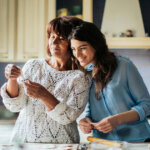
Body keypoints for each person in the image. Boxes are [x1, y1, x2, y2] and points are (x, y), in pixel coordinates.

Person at [1, 16, 91, 144]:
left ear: (72, 43)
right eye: (51, 37)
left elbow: (67, 116)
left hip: (62, 145)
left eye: (61, 38)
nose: (53, 43)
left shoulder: (80, 77)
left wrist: (44, 95)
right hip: (24, 143)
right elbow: (15, 105)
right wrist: (12, 79)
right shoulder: (33, 65)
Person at [69, 22, 150, 142]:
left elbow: (146, 105)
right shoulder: (86, 74)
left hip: (137, 142)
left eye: (82, 48)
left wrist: (117, 120)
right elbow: (91, 111)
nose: (77, 54)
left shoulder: (124, 66)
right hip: (103, 143)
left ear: (96, 44)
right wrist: (86, 121)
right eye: (74, 49)